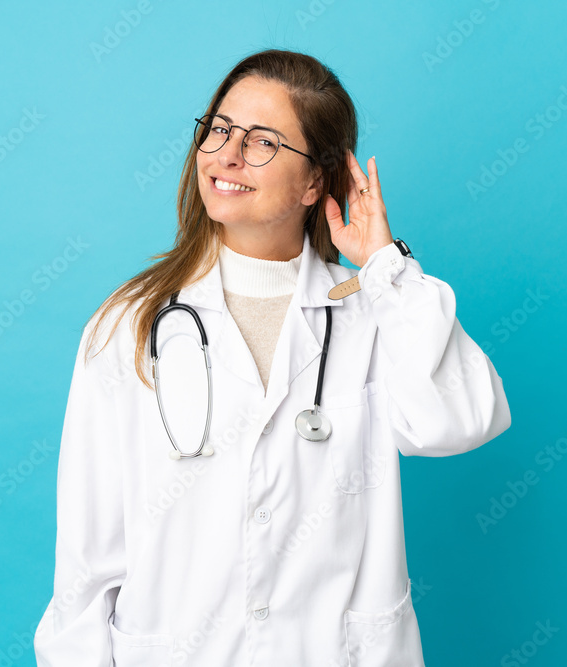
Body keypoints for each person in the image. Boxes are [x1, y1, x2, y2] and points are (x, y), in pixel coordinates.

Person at [34, 48, 511, 667]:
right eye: (219, 130)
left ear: (317, 181)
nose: (227, 156)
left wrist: (386, 266)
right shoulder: (130, 326)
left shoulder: (372, 313)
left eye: (263, 142)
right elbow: (85, 563)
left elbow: (462, 420)